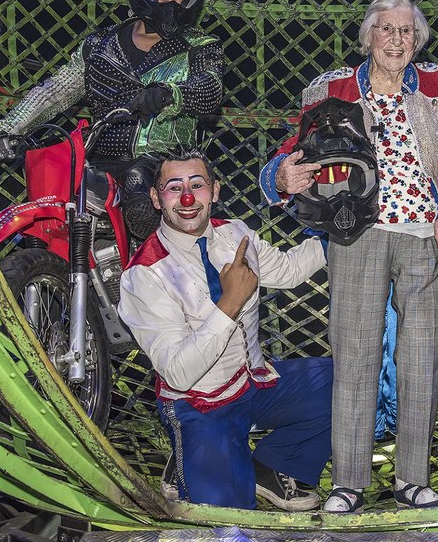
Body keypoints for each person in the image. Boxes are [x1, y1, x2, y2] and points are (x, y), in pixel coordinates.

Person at [261, 0, 438, 513]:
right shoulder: (332, 89)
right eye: (387, 29)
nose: (397, 40)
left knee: (421, 357)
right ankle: (349, 482)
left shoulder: (437, 88)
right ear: (368, 36)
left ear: (418, 41)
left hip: (423, 233)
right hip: (354, 232)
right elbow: (293, 155)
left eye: (407, 32)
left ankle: (413, 479)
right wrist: (282, 175)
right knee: (355, 353)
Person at [118, 148, 332, 511]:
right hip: (200, 406)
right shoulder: (145, 274)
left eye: (197, 185)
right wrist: (229, 304)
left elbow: (288, 270)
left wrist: (339, 236)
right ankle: (189, 458)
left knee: (352, 381)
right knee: (229, 519)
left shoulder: (235, 233)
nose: (187, 199)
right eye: (174, 188)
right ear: (157, 199)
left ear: (214, 192)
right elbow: (178, 373)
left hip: (254, 384)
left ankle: (273, 466)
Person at [0, 0, 224, 241]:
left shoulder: (200, 47)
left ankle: (170, 275)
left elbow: (210, 88)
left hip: (163, 164)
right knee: (51, 200)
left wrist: (171, 94)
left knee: (142, 198)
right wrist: (8, 128)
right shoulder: (101, 45)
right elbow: (56, 90)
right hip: (97, 160)